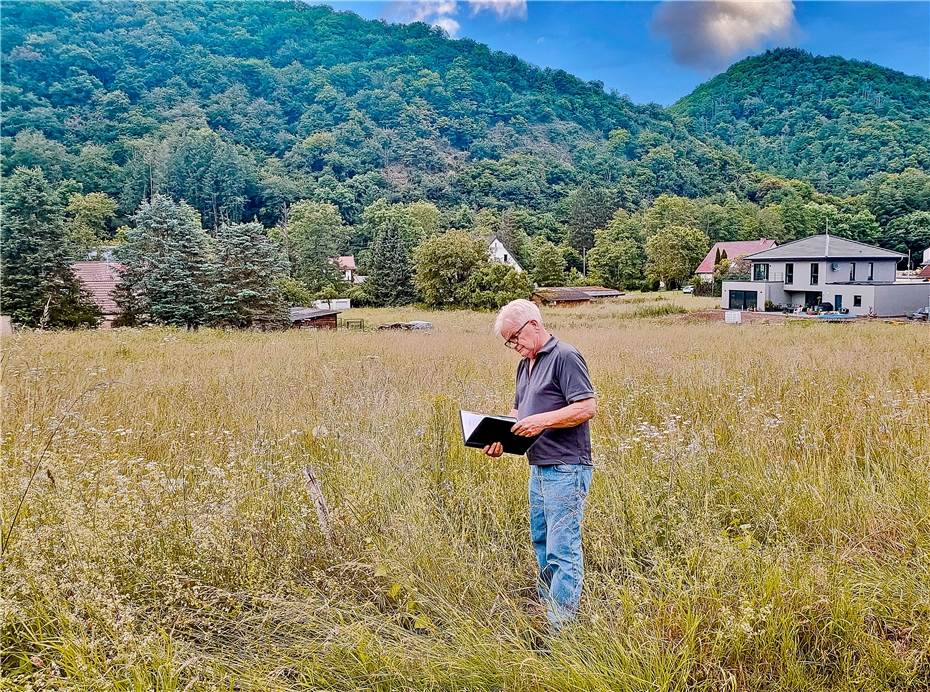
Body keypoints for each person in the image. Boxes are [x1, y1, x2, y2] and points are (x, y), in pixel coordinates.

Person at [485, 299, 597, 631]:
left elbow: (586, 407)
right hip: (538, 466)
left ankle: (560, 631)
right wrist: (499, 437)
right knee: (542, 541)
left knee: (563, 549)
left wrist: (541, 422)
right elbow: (520, 414)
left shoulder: (565, 356)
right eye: (509, 342)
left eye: (515, 338)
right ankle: (547, 611)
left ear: (533, 325)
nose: (514, 346)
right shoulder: (525, 365)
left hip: (567, 467)